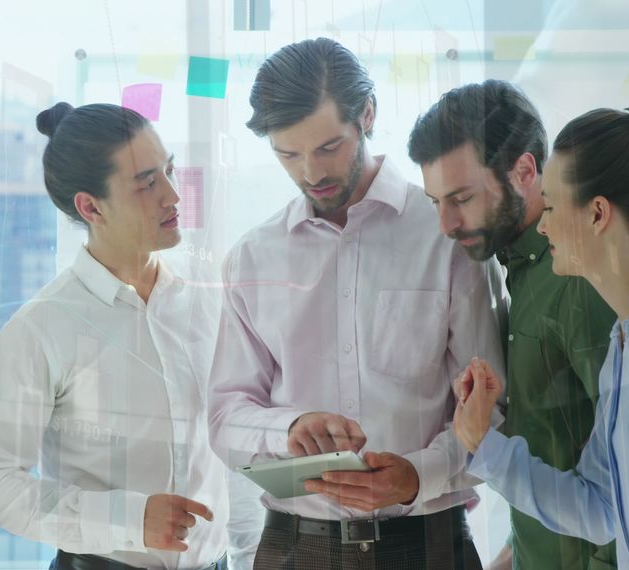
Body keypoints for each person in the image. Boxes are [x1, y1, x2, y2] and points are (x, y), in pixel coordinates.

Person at [207, 37, 504, 569]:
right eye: (287, 155)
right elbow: (226, 417)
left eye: (328, 148)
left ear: (366, 115)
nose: (310, 174)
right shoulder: (253, 259)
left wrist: (418, 474)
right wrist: (288, 430)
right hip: (294, 550)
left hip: (429, 546)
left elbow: (494, 409)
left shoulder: (447, 237)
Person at [453, 97, 629, 570]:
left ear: (598, 214)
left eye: (553, 207)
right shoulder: (624, 349)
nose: (542, 225)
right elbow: (599, 508)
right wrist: (487, 446)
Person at [0, 102, 232, 569]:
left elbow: (230, 459)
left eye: (169, 171)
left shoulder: (209, 304)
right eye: (147, 183)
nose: (172, 195)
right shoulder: (41, 328)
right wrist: (127, 519)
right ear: (90, 206)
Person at [408, 80, 618, 570]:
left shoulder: (579, 279)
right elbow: (554, 453)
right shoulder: (514, 272)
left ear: (525, 170)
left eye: (460, 198)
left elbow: (628, 484)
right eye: (434, 201)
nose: (445, 224)